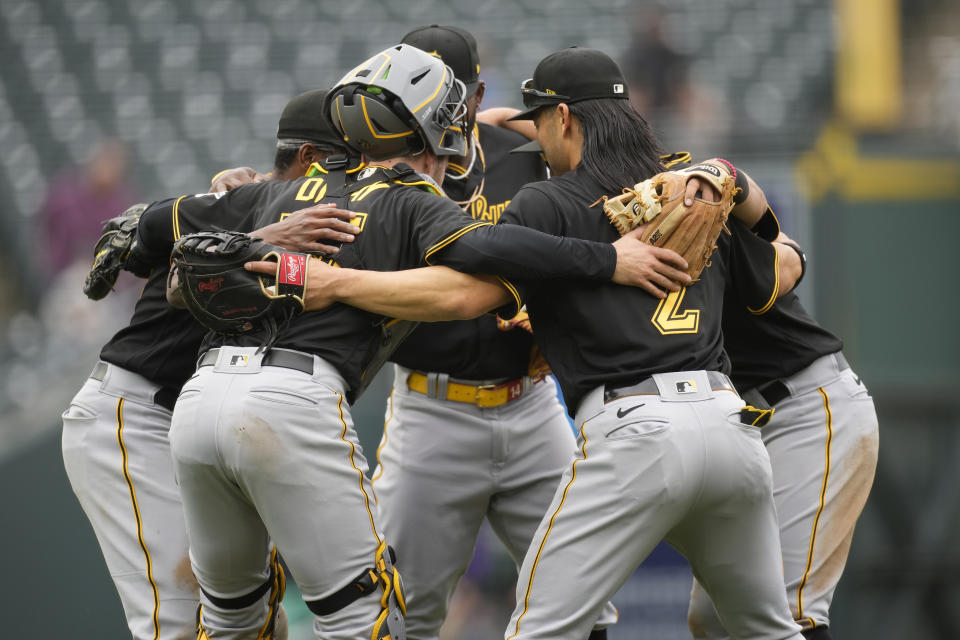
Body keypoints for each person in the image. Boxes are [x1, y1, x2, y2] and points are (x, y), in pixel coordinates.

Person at [130, 43, 690, 640]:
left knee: (229, 617)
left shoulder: (268, 194)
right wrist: (605, 259)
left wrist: (196, 235)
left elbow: (150, 231)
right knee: (360, 617)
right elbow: (492, 251)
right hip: (296, 402)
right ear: (431, 129)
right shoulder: (410, 198)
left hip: (201, 403)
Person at [252, 47, 808, 640]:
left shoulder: (547, 200)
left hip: (631, 425)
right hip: (729, 423)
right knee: (769, 629)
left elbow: (464, 297)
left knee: (539, 628)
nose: (536, 140)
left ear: (563, 118)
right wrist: (733, 180)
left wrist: (336, 283)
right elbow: (785, 262)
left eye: (540, 121)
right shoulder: (688, 188)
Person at [61, 90, 362, 640]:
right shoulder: (247, 203)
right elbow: (183, 258)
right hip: (129, 415)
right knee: (182, 621)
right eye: (347, 159)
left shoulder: (263, 201)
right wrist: (262, 237)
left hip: (185, 423)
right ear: (313, 160)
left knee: (251, 615)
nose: (357, 173)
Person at [362, 25, 617, 639]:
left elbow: (598, 217)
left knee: (587, 603)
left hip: (530, 408)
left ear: (475, 93)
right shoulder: (383, 171)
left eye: (452, 90)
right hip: (432, 408)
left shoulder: (524, 153)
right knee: (399, 613)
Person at [687, 255, 880, 640]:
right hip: (746, 423)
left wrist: (783, 245)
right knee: (712, 620)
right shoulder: (604, 238)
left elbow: (785, 258)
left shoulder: (693, 203)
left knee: (787, 614)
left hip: (809, 406)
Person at [38, 138, 137, 282]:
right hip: (62, 277)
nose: (106, 170)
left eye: (113, 165)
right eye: (104, 162)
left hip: (107, 283)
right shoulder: (66, 195)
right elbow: (46, 229)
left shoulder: (123, 206)